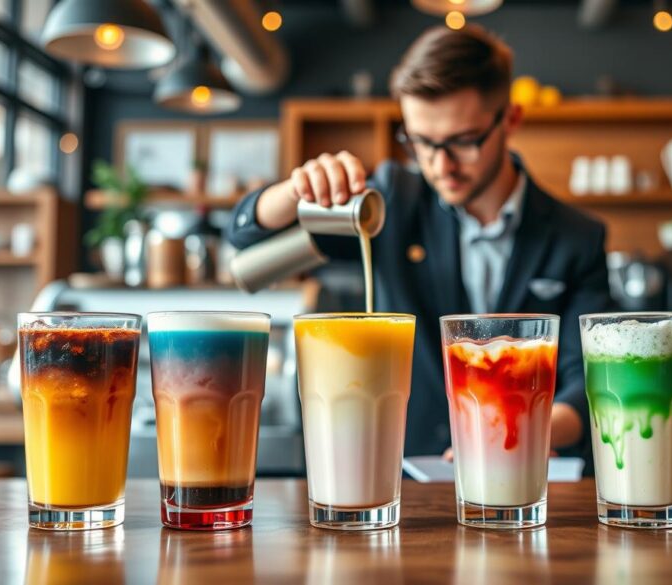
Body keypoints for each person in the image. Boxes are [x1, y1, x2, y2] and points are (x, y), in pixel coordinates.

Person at [226, 25, 611, 456]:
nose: (439, 165)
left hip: (521, 474)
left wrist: (524, 431)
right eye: (421, 143)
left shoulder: (577, 236)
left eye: (463, 142)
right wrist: (296, 190)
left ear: (510, 119)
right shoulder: (393, 202)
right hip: (407, 482)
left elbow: (588, 380)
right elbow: (246, 243)